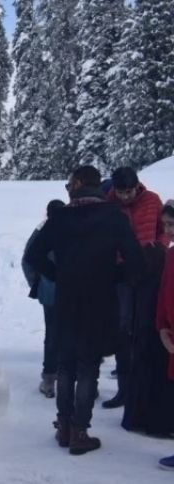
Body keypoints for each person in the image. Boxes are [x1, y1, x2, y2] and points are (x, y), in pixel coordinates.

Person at [26, 165, 143, 456]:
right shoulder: (113, 217)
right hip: (100, 299)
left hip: (67, 298)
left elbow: (34, 254)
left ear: (77, 183)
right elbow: (135, 260)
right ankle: (80, 430)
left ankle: (64, 426)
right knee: (88, 363)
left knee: (66, 362)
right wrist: (115, 276)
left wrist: (59, 274)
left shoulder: (60, 217)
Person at [104, 167, 169, 410]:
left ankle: (143, 389)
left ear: (137, 186)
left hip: (150, 270)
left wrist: (159, 246)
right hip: (121, 273)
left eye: (128, 192)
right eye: (120, 192)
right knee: (123, 329)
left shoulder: (152, 200)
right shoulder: (107, 205)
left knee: (145, 327)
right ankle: (123, 388)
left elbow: (164, 229)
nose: (125, 197)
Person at [22, 199, 66, 398]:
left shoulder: (41, 232)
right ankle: (80, 379)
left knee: (53, 335)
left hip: (49, 293)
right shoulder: (73, 230)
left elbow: (27, 259)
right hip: (73, 291)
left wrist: (36, 284)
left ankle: (49, 379)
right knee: (73, 333)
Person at [155, 200, 174, 470]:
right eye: (166, 225)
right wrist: (162, 326)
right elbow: (164, 293)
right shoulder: (170, 254)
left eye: (171, 224)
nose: (168, 230)